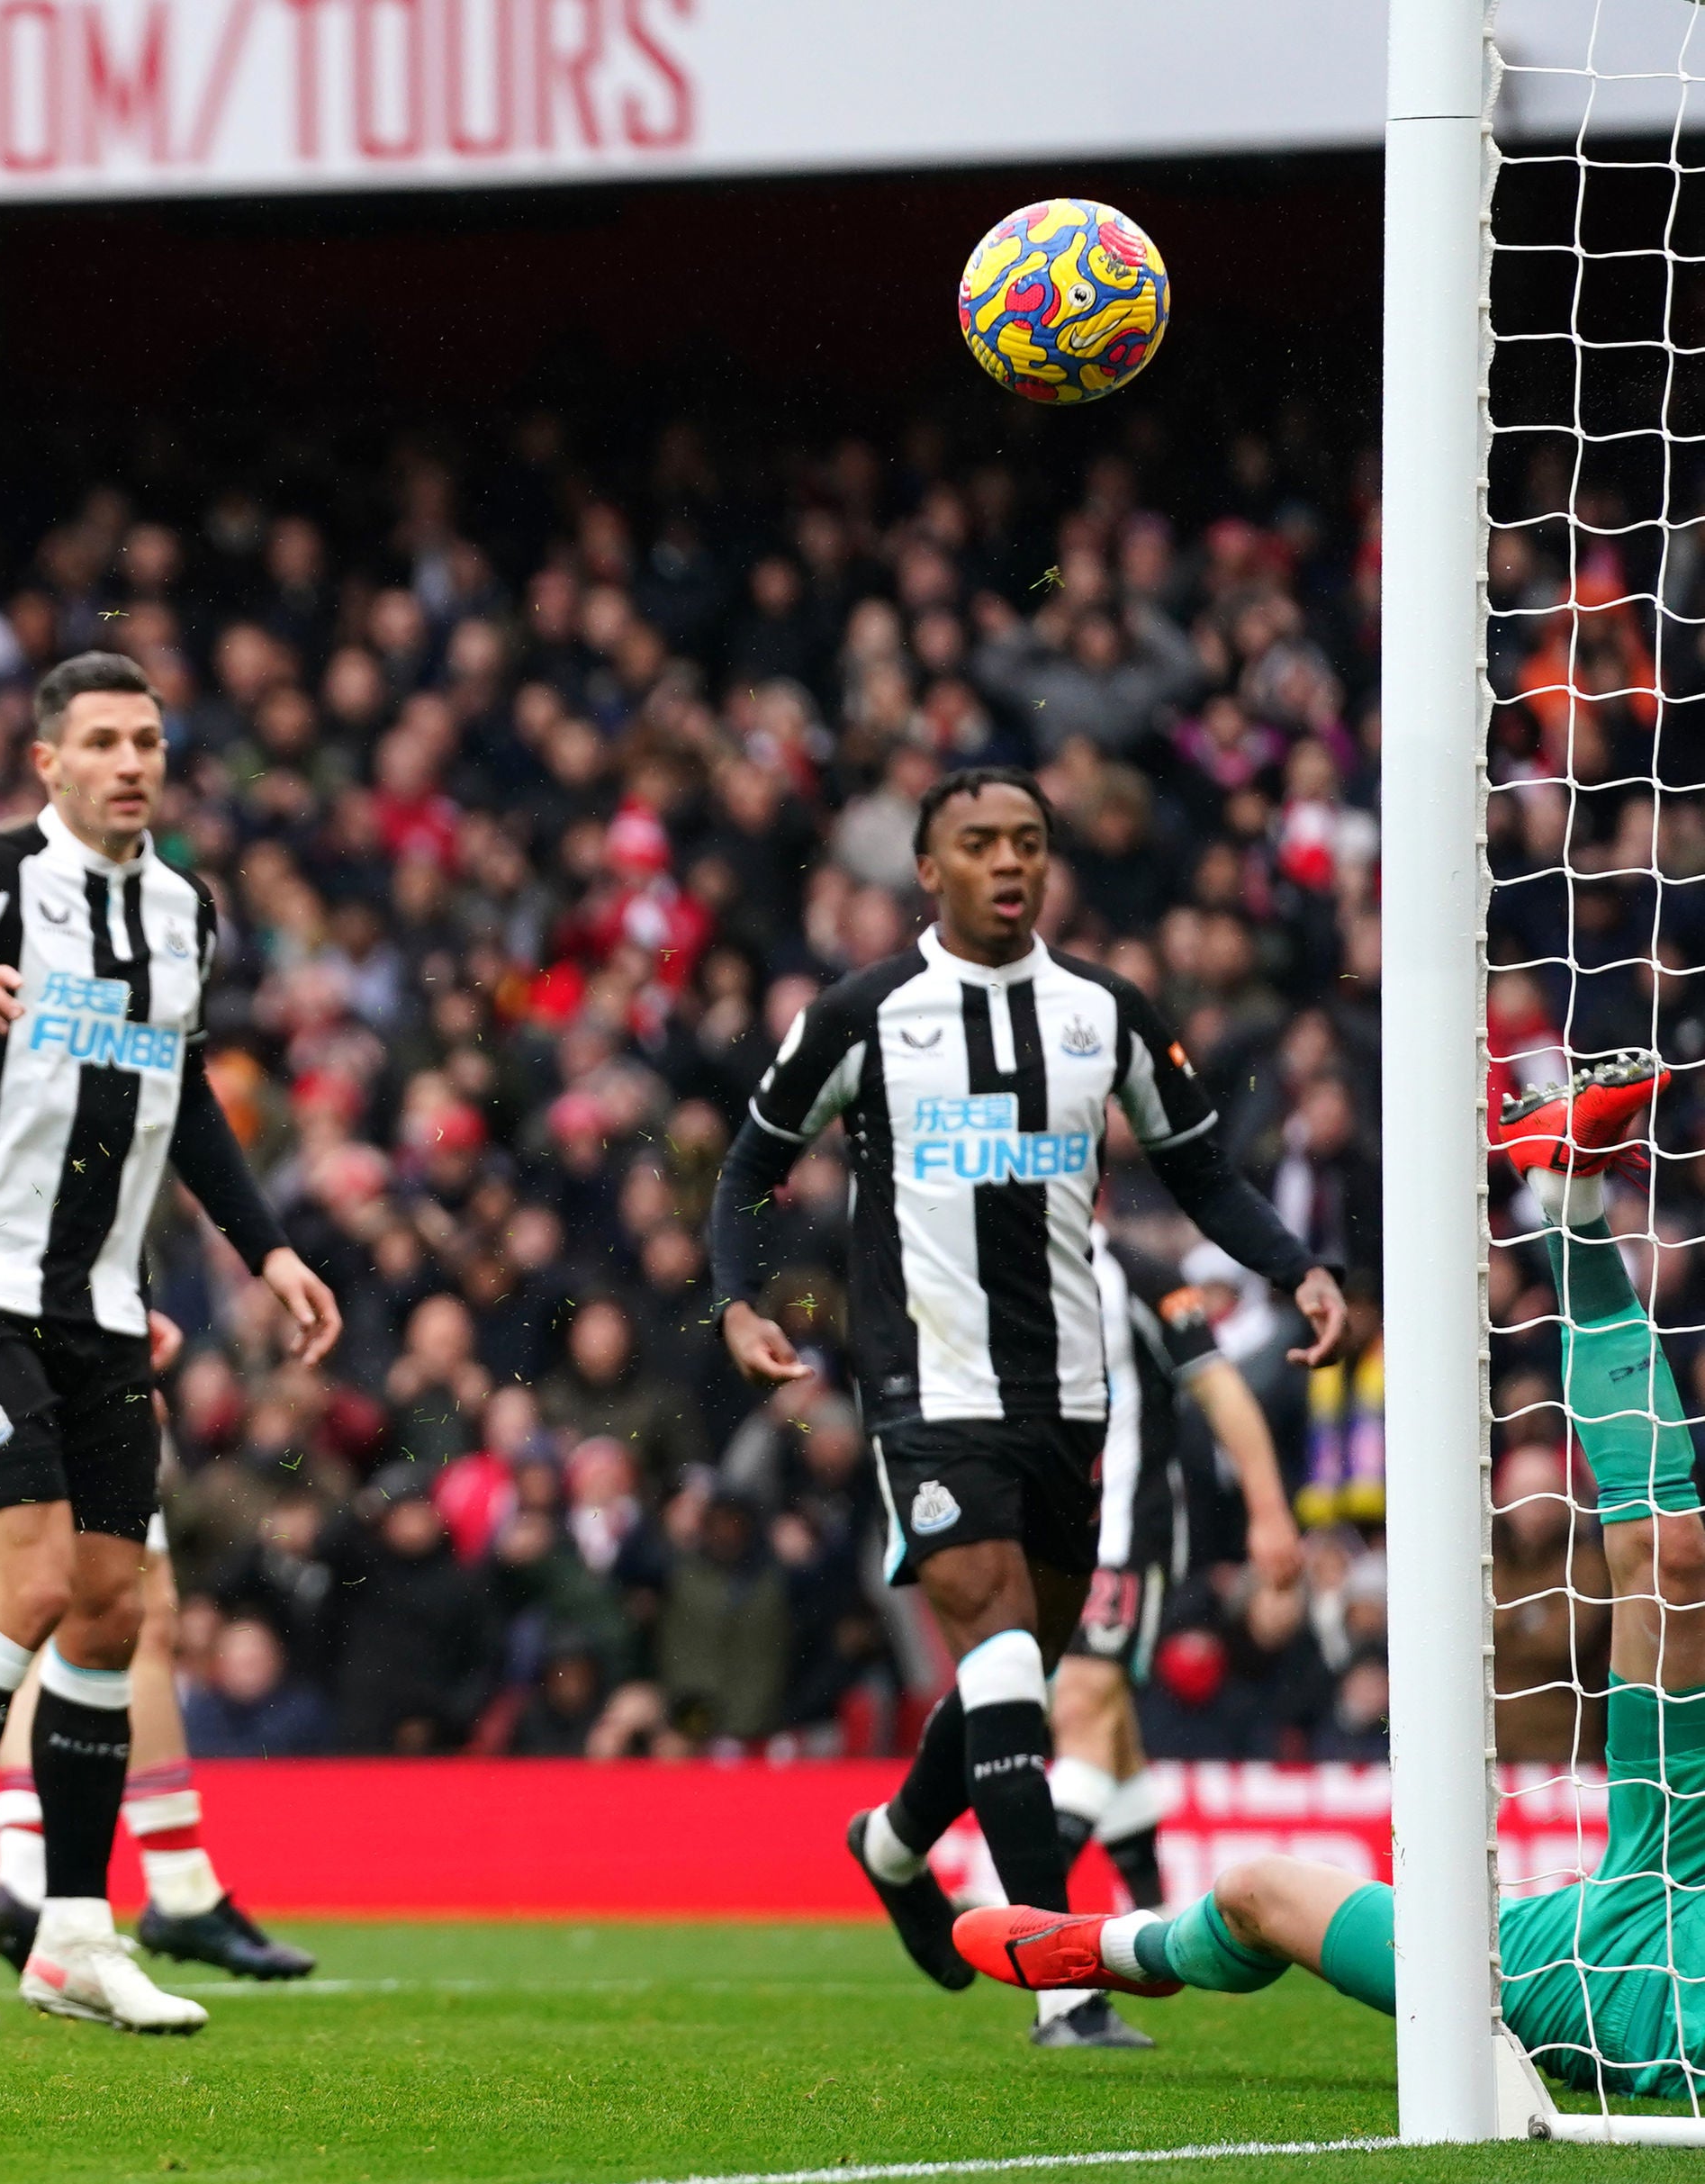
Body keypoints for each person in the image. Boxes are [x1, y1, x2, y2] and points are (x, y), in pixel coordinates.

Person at [706, 765, 1347, 2050]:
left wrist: (1297, 1265)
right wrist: (736, 1300)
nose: (1010, 862)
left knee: (1025, 1668)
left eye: (1029, 843)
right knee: (1000, 1652)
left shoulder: (1102, 1013)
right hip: (927, 1388)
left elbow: (1201, 1168)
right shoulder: (865, 1012)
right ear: (928, 869)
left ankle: (893, 1844)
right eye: (980, 843)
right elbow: (749, 1169)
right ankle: (1063, 1977)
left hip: (1069, 1395)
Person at [961, 1054, 1705, 2104]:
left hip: (1583, 1993)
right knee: (1670, 1554)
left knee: (1259, 1889)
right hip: (1672, 1843)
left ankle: (1115, 1947)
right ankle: (1570, 1199)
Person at [0, 650, 341, 2036]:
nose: (130, 763)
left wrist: (269, 1248)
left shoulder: (185, 911)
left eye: (149, 742)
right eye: (103, 741)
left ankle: (72, 1930)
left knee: (114, 1604)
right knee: (36, 1581)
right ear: (48, 760)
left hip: (108, 1304)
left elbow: (185, 1099)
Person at [1032, 1222, 1303, 2048]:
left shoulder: (1137, 1272)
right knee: (1108, 1738)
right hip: (1041, 1542)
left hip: (1124, 1539)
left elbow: (1221, 1389)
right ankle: (1160, 1938)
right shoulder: (993, 1260)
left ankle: (1056, 1984)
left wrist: (1268, 1510)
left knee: (1080, 1709)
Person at [0, 1419, 318, 1982]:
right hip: (60, 1382)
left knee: (89, 1605)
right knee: (73, 1600)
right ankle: (123, 1884)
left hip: (39, 1378)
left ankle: (41, 1873)